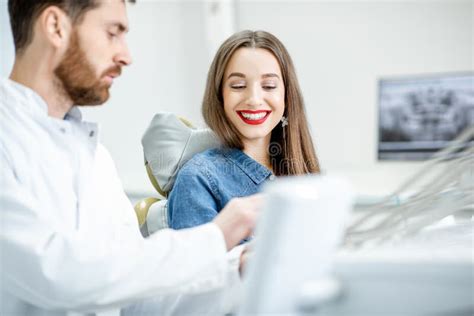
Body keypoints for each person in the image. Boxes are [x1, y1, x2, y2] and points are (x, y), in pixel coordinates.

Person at [0, 1, 263, 315]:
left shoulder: (96, 159)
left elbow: (136, 299)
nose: (126, 55)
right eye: (113, 33)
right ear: (56, 26)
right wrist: (217, 236)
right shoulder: (7, 139)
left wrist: (239, 270)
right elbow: (56, 273)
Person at [168, 30, 320, 230]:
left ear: (287, 96)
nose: (254, 99)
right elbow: (196, 261)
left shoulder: (304, 173)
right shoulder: (198, 179)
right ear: (220, 96)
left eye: (269, 85)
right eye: (238, 86)